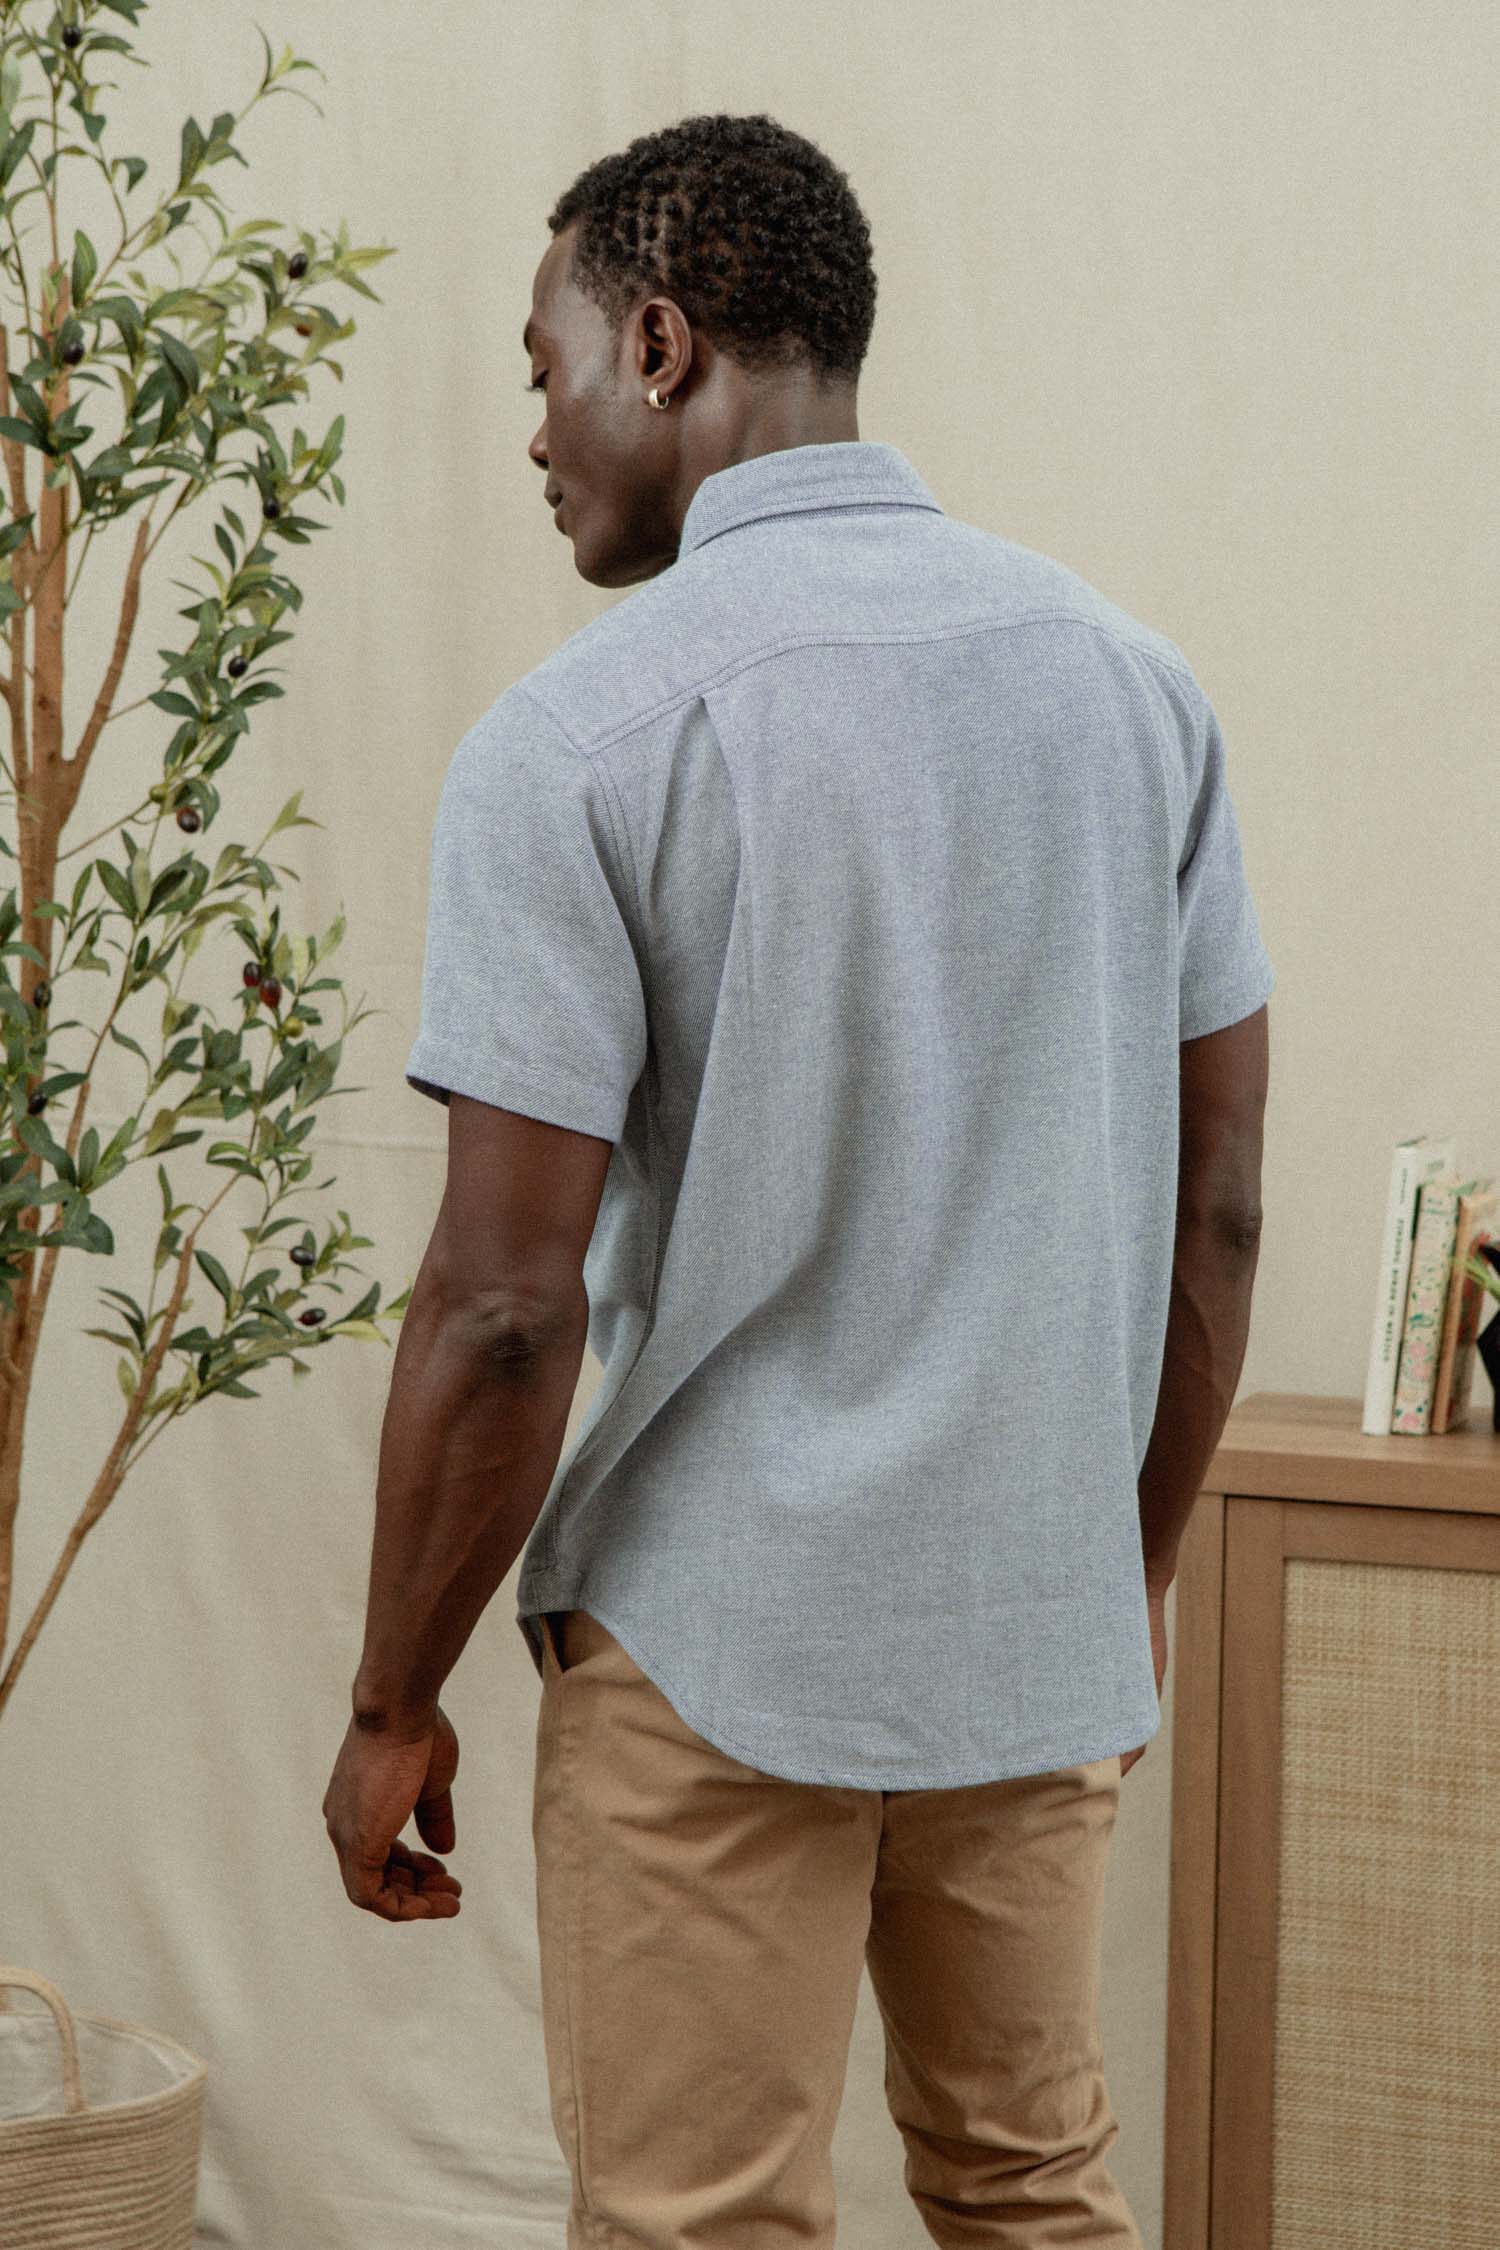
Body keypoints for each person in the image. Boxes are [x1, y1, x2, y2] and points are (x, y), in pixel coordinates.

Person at [398, 109, 1272, 2247]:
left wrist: (378, 1696)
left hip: (716, 1639)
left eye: (545, 369)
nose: (534, 434)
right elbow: (1219, 1210)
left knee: (700, 2223)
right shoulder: (1133, 693)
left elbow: (507, 1308)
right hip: (1027, 1622)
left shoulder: (583, 739)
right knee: (1036, 2192)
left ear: (665, 342)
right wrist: (1118, 1573)